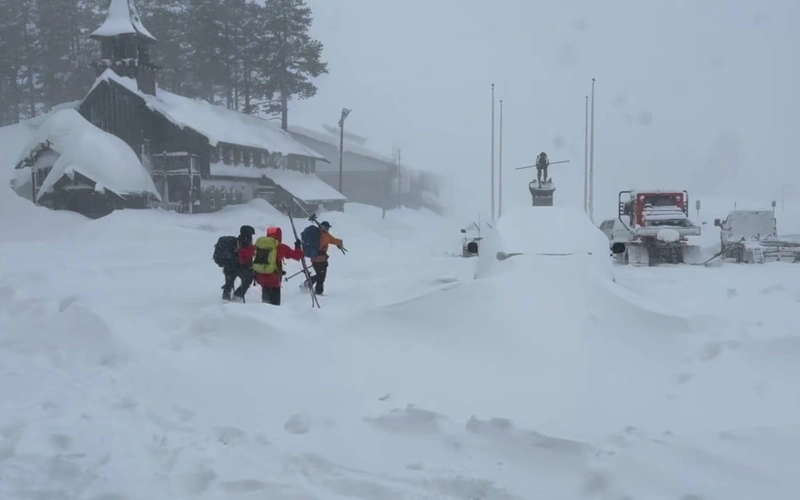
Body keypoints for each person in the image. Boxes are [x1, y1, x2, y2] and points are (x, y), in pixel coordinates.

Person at [253, 226, 304, 305]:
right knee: (274, 305)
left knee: (265, 301)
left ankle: (264, 310)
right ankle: (273, 313)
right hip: (273, 278)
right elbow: (297, 256)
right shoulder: (279, 247)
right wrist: (298, 247)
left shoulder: (260, 245)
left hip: (260, 276)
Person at [218, 225, 255, 301]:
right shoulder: (246, 242)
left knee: (229, 284)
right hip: (240, 267)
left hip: (228, 266)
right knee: (248, 279)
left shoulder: (234, 242)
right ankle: (237, 296)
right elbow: (248, 258)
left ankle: (224, 301)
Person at [306, 221, 343, 295]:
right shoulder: (325, 235)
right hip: (321, 259)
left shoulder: (315, 234)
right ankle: (315, 289)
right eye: (328, 227)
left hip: (314, 259)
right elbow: (334, 240)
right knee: (321, 276)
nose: (328, 229)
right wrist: (340, 243)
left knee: (320, 276)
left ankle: (311, 285)